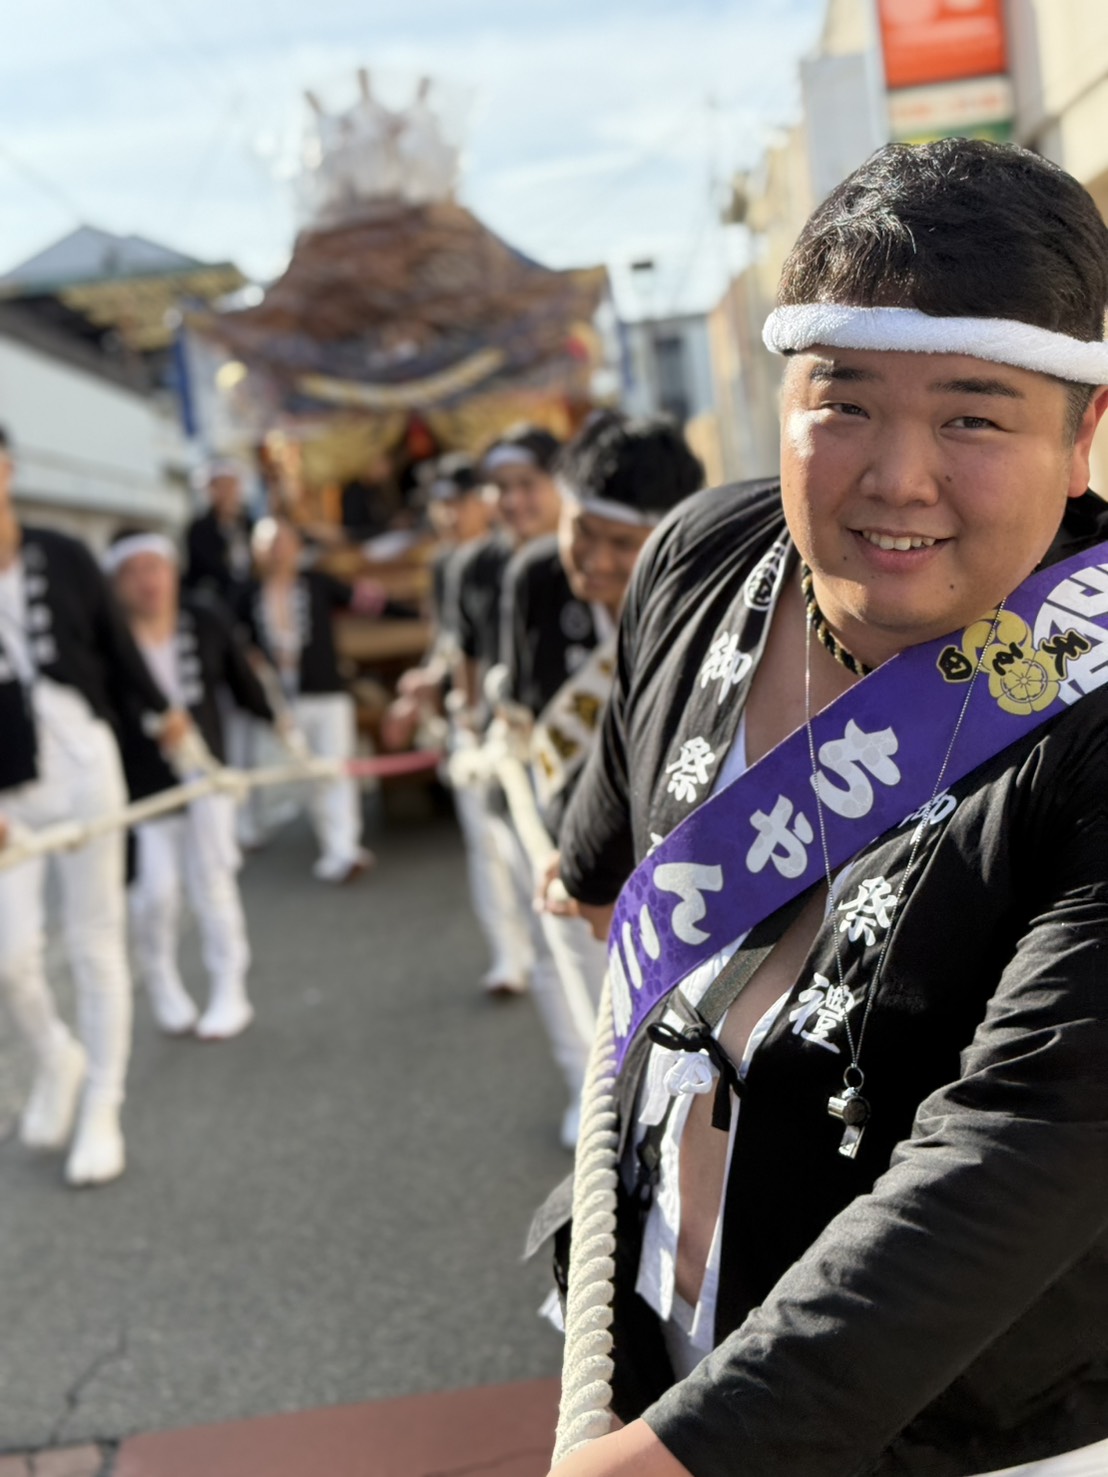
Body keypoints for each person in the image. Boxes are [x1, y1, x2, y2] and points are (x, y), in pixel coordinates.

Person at [540, 140, 1108, 1476]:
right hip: (647, 1315)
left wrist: (683, 1457)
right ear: (781, 399)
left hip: (962, 1421)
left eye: (973, 417)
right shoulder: (700, 558)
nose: (897, 476)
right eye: (843, 403)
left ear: (1084, 436)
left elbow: (1028, 1141)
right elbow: (602, 852)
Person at [499, 414, 703, 1147]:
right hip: (564, 834)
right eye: (580, 532)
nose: (595, 559)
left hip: (665, 845)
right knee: (577, 985)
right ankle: (589, 1109)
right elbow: (529, 713)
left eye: (622, 543)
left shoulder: (695, 587)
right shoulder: (534, 579)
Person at [0, 431, 190, 1186]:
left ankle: (103, 1106)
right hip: (7, 789)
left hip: (84, 764)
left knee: (93, 940)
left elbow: (117, 647)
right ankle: (57, 1056)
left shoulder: (63, 554)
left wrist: (165, 714)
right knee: (11, 958)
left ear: (7, 469)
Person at [107, 531, 282, 1040]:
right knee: (155, 895)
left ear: (172, 570)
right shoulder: (109, 637)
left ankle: (231, 988)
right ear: (116, 583)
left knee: (214, 884)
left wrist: (282, 727)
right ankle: (161, 981)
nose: (146, 581)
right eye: (132, 571)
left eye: (154, 566)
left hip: (206, 776)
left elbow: (241, 681)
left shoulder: (204, 617)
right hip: (144, 788)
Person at [445, 427, 564, 998]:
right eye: (500, 486)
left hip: (586, 753)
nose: (513, 500)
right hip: (512, 756)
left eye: (527, 483)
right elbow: (465, 652)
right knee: (541, 916)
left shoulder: (592, 553)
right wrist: (469, 725)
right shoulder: (473, 566)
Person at [241, 514, 375, 883]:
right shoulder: (246, 595)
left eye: (284, 541)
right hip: (282, 701)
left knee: (336, 771)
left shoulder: (317, 583)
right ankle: (325, 845)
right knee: (304, 775)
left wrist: (418, 614)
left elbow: (363, 600)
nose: (277, 551)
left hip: (327, 692)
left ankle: (343, 850)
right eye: (269, 544)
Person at [183, 459, 255, 612]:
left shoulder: (249, 525)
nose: (226, 493)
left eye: (230, 486)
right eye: (220, 486)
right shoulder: (199, 529)